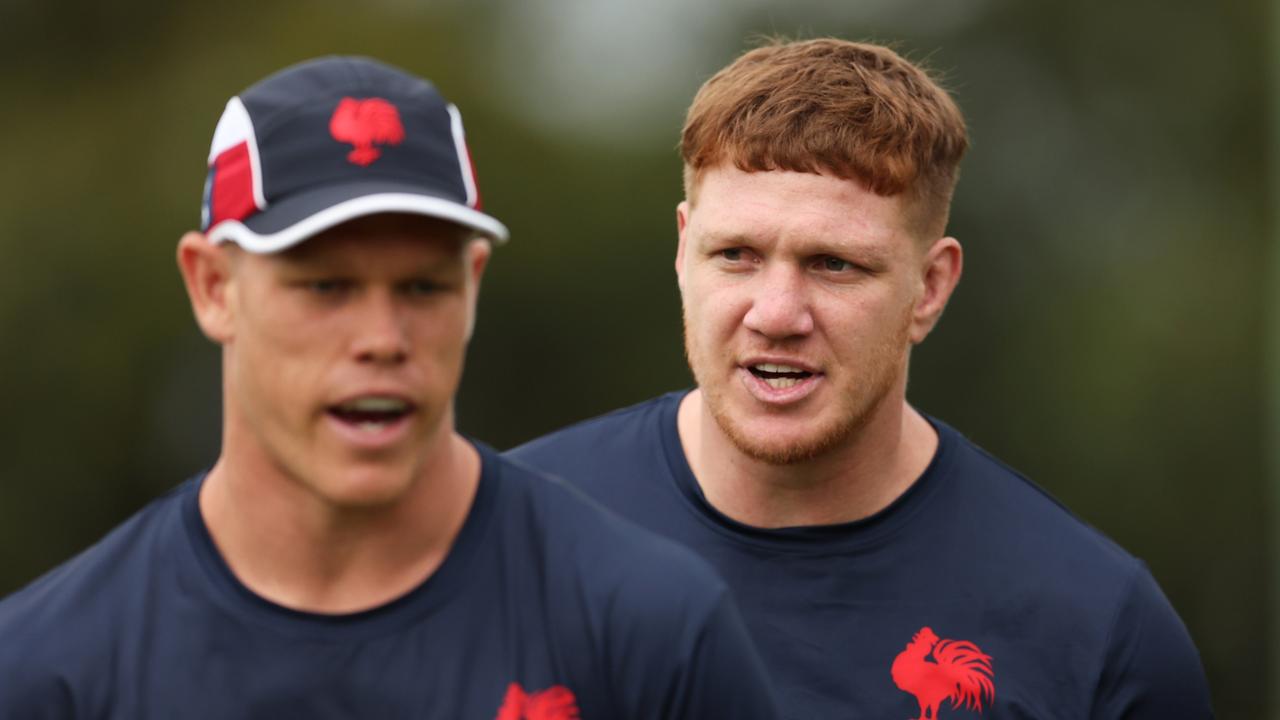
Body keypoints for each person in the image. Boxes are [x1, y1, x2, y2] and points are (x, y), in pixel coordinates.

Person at [0, 56, 781, 719]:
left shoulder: (648, 628)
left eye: (421, 288)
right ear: (212, 287)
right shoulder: (49, 670)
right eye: (326, 287)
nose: (382, 339)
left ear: (473, 285)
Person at [508, 38, 1214, 719]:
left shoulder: (1099, 630)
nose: (777, 314)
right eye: (736, 255)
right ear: (682, 250)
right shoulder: (495, 542)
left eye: (834, 264)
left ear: (930, 288)